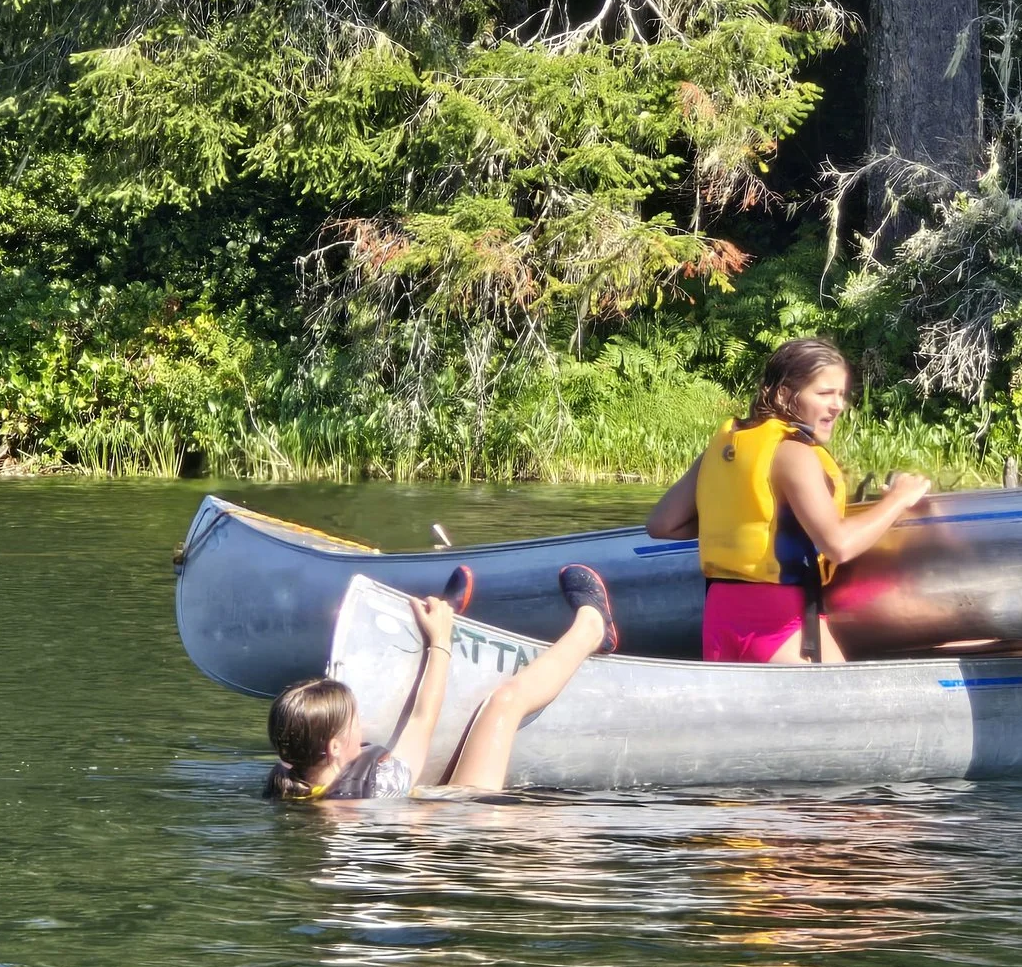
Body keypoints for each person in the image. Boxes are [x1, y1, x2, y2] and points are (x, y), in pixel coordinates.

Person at [645, 336, 932, 663]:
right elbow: (838, 545)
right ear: (784, 394)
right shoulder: (794, 453)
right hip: (781, 626)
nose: (837, 405)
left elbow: (662, 524)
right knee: (846, 710)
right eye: (824, 393)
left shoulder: (725, 447)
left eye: (841, 394)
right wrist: (897, 498)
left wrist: (742, 523)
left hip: (721, 622)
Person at [263, 565, 620, 801]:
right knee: (506, 702)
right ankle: (592, 628)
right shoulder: (380, 785)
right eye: (356, 720)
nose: (365, 724)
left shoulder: (288, 784)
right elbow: (422, 720)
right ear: (335, 748)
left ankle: (444, 612)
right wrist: (440, 642)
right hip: (469, 828)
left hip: (438, 820)